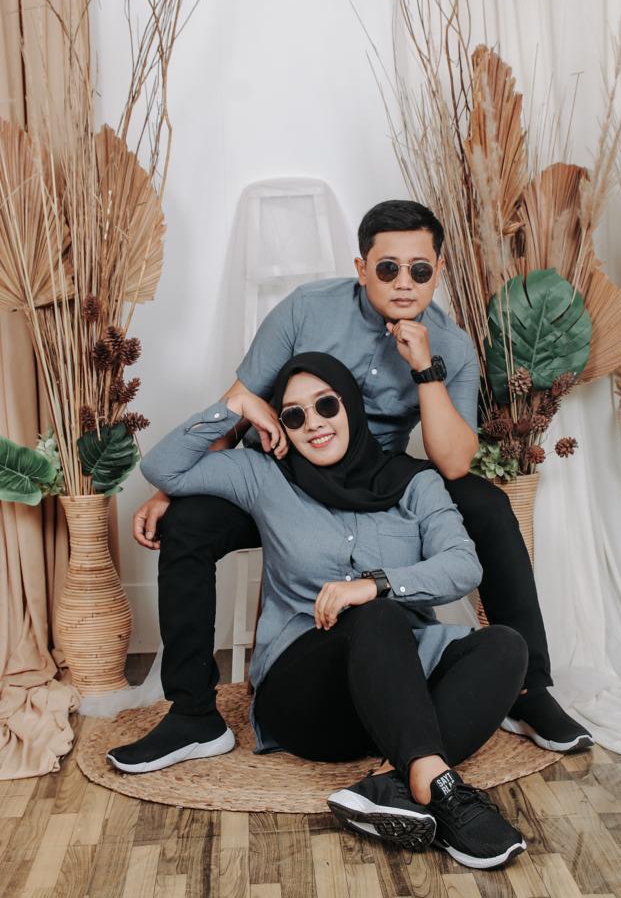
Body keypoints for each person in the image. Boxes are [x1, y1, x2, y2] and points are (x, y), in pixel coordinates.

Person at [131, 199, 592, 768]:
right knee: (188, 520)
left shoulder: (451, 346)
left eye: (419, 270)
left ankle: (527, 691)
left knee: (487, 504)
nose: (404, 283)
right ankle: (193, 714)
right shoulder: (306, 309)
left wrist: (424, 369)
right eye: (388, 268)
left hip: (378, 482)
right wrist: (173, 488)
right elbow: (241, 400)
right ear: (361, 267)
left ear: (439, 271)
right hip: (284, 479)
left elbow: (453, 464)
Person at [111, 353, 529, 869]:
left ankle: (394, 780)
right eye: (294, 415)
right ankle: (441, 791)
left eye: (326, 405)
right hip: (307, 695)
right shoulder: (267, 476)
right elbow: (163, 468)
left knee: (507, 646)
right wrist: (235, 408)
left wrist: (376, 585)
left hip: (398, 690)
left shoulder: (415, 483)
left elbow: (464, 566)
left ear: (350, 406)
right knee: (376, 617)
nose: (313, 423)